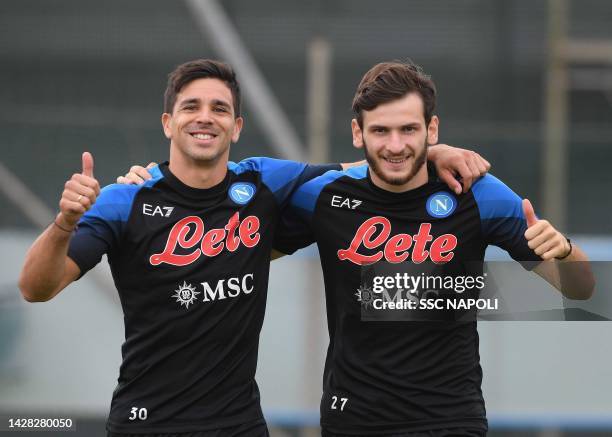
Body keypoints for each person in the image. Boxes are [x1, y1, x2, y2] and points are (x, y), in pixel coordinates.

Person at [18, 59, 490, 437]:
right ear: (168, 122)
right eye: (191, 107)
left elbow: (368, 165)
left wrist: (430, 152)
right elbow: (36, 288)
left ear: (237, 126)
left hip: (241, 423)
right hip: (147, 421)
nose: (205, 117)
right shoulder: (124, 200)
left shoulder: (265, 182)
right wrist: (62, 224)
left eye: (219, 108)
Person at [270, 62, 595, 436]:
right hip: (352, 421)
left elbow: (581, 288)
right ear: (358, 133)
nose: (395, 145)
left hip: (450, 421)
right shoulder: (324, 195)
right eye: (381, 131)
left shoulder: (479, 193)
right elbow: (243, 257)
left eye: (409, 129)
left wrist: (565, 251)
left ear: (432, 129)